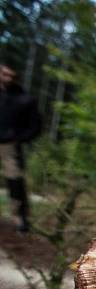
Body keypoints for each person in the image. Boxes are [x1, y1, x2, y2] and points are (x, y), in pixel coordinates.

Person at [0, 64, 41, 232]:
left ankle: (20, 219)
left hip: (9, 146)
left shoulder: (24, 99)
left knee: (15, 181)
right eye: (4, 74)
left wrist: (19, 138)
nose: (7, 78)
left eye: (11, 75)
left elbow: (36, 126)